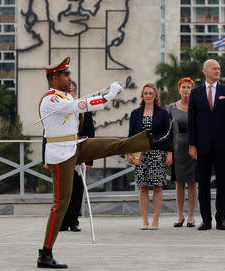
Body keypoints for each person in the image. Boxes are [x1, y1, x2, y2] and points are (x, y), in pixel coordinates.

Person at [37, 57, 173, 268]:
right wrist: (107, 97)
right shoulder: (51, 99)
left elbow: (74, 113)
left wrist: (79, 158)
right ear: (55, 78)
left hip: (75, 147)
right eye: (66, 75)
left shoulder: (62, 96)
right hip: (61, 155)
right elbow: (79, 105)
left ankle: (154, 142)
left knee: (114, 145)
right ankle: (45, 253)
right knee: (60, 204)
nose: (70, 78)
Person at [188, 59, 225, 230]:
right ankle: (206, 219)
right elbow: (191, 121)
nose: (218, 71)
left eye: (219, 68)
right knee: (203, 184)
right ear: (205, 71)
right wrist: (192, 144)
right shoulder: (195, 93)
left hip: (222, 145)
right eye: (214, 68)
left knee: (222, 184)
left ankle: (221, 219)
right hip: (202, 146)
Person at [126, 83, 172, 230]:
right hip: (141, 153)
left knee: (157, 186)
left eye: (150, 93)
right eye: (145, 93)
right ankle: (145, 220)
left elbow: (168, 136)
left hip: (157, 153)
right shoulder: (135, 113)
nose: (148, 95)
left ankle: (156, 220)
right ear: (142, 96)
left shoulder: (163, 113)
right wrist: (128, 152)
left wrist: (169, 153)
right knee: (143, 186)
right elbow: (131, 135)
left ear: (155, 95)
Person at [59, 81, 94, 232]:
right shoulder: (58, 108)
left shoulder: (84, 110)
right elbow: (46, 135)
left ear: (75, 93)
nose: (69, 93)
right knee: (62, 191)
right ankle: (62, 222)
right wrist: (46, 158)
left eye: (71, 91)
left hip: (79, 155)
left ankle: (74, 221)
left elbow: (90, 136)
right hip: (61, 154)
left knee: (77, 189)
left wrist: (89, 160)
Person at [167, 78, 198, 228]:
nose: (186, 90)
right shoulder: (171, 108)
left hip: (193, 148)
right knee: (179, 183)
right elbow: (167, 132)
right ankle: (180, 216)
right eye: (183, 87)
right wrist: (169, 151)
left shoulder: (197, 106)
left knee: (193, 183)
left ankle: (191, 216)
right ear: (179, 89)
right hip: (177, 147)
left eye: (189, 87)